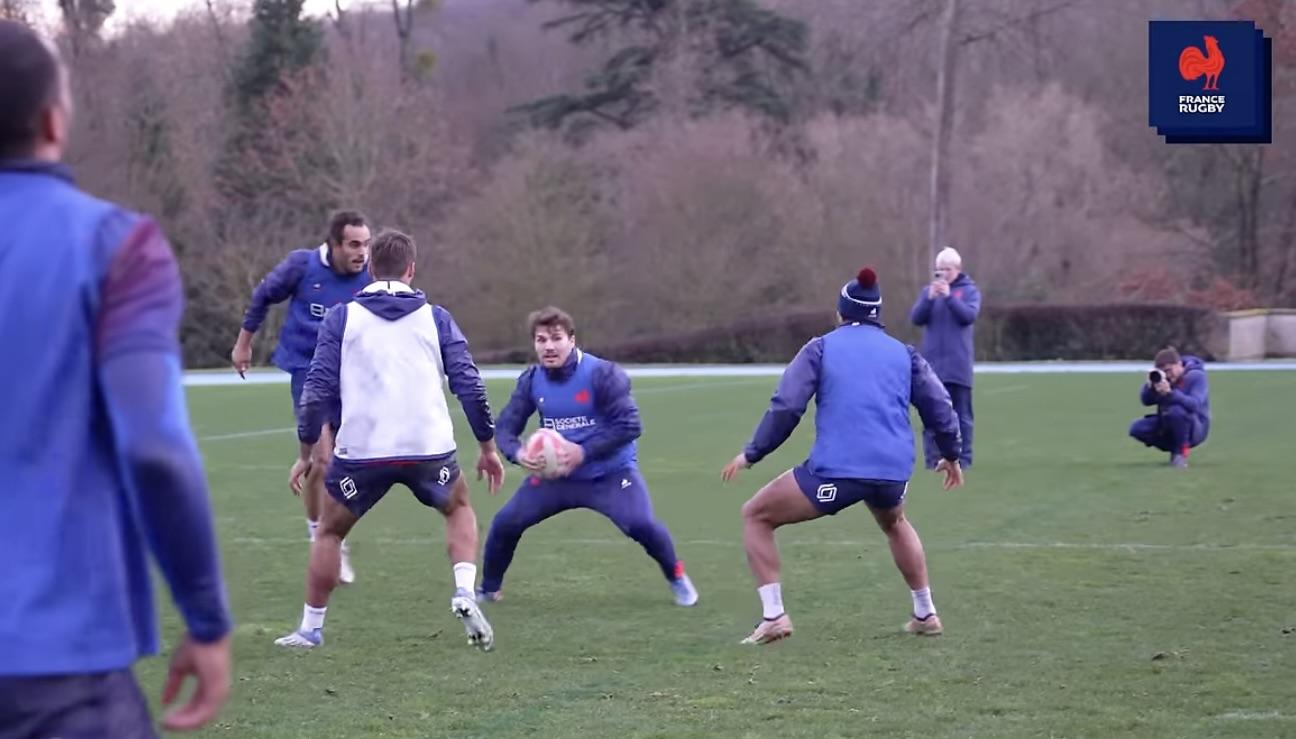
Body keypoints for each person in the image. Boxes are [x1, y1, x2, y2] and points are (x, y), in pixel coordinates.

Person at [0, 21, 231, 735]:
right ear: (52, 119)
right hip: (52, 661)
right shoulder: (117, 247)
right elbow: (155, 448)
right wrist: (205, 615)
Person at [273, 229, 506, 651]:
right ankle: (463, 591)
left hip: (362, 451)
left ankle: (310, 629)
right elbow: (470, 385)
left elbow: (316, 390)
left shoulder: (342, 318)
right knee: (458, 508)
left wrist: (306, 451)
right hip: (428, 449)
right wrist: (487, 446)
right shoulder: (436, 318)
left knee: (329, 532)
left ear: (370, 270)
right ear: (411, 270)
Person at [722, 268, 964, 646]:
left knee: (756, 515)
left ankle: (774, 616)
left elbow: (787, 406)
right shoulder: (904, 354)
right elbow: (940, 406)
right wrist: (951, 454)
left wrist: (752, 453)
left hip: (837, 472)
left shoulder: (821, 348)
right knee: (895, 522)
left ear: (841, 312)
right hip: (892, 471)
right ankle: (925, 612)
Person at [477, 307, 699, 607]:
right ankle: (489, 590)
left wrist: (583, 451)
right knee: (505, 523)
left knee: (642, 525)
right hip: (556, 478)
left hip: (609, 474)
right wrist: (518, 453)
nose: (549, 346)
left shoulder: (603, 374)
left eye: (556, 338)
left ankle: (677, 577)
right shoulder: (531, 380)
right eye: (541, 340)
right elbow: (505, 428)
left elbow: (630, 425)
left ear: (572, 340)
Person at [231, 210, 373, 584]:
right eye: (354, 245)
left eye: (366, 244)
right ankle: (322, 540)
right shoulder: (301, 266)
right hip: (307, 372)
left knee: (347, 465)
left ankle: (331, 534)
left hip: (352, 378)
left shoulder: (372, 277)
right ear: (334, 245)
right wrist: (243, 344)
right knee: (322, 461)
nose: (362, 252)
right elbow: (263, 297)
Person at [909, 246, 981, 468]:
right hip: (932, 368)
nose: (942, 274)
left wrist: (949, 297)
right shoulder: (928, 293)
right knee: (932, 416)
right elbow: (916, 318)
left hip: (958, 367)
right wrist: (930, 299)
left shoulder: (969, 292)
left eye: (947, 269)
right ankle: (933, 460)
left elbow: (968, 316)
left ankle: (963, 459)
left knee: (962, 417)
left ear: (957, 269)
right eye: (939, 270)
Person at [1129, 347, 1210, 468]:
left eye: (1169, 370)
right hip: (1168, 421)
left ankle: (1180, 454)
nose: (1167, 375)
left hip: (1196, 427)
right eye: (1163, 372)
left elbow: (1195, 404)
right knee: (1137, 428)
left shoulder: (1196, 376)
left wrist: (1171, 394)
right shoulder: (1164, 379)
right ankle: (1176, 448)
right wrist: (1150, 387)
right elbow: (1146, 401)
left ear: (1179, 364)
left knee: (1176, 411)